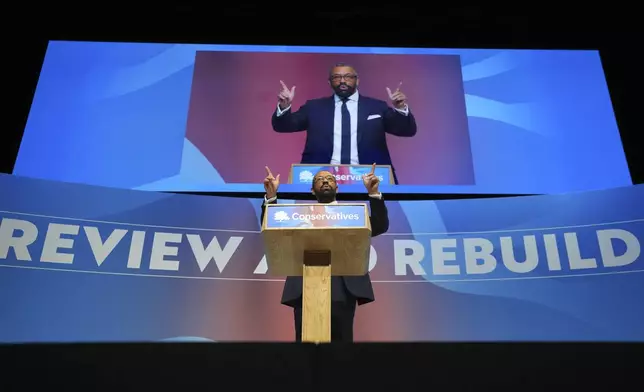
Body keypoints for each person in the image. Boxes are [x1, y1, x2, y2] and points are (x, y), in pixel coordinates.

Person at [260, 164, 389, 342]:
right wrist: (271, 197)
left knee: (341, 347)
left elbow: (380, 225)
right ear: (312, 190)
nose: (325, 181)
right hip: (305, 283)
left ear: (337, 187)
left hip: (343, 285)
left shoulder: (352, 215)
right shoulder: (298, 215)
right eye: (319, 179)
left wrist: (374, 194)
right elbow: (272, 226)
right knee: (306, 347)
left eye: (330, 179)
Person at [271, 63, 417, 184]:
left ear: (357, 80)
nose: (342, 81)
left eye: (348, 77)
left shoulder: (377, 107)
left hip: (371, 178)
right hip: (321, 180)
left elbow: (406, 130)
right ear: (329, 82)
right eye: (336, 77)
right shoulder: (314, 107)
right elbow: (284, 126)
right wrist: (284, 107)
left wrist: (400, 109)